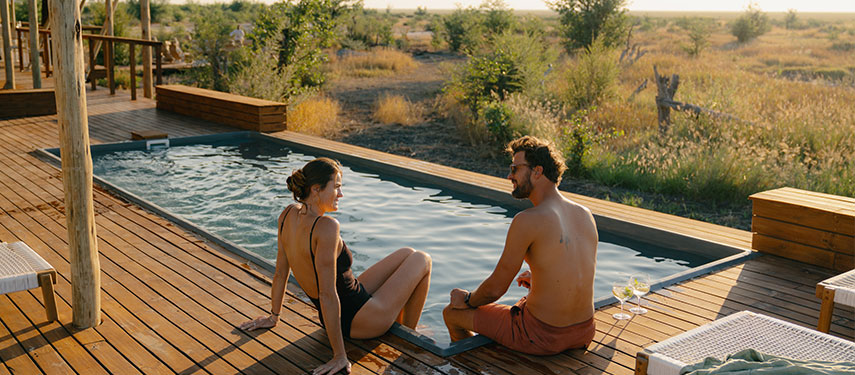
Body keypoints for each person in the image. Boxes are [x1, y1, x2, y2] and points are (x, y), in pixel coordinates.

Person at [240, 158, 432, 375]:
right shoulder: (327, 227)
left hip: (341, 310)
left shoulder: (287, 215)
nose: (341, 194)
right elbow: (327, 294)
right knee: (423, 259)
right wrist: (340, 355)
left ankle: (402, 322)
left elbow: (281, 273)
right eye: (337, 187)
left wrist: (273, 316)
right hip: (360, 321)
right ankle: (408, 336)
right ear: (316, 189)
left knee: (407, 253)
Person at [442, 136, 598, 356]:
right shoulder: (585, 214)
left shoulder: (527, 220)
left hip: (541, 335)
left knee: (451, 313)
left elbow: (495, 289)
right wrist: (541, 279)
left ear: (537, 171)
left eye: (515, 169)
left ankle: (475, 368)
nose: (509, 176)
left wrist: (467, 299)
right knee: (520, 304)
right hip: (584, 331)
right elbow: (578, 270)